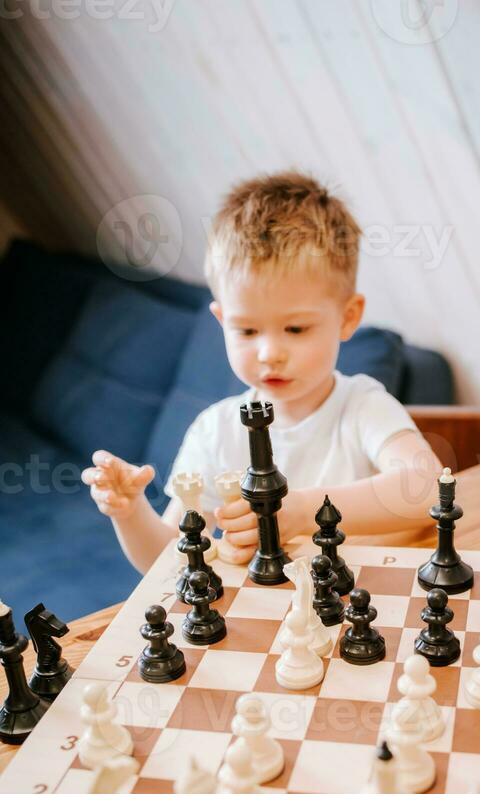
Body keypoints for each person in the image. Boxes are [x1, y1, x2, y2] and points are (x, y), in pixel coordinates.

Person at [83, 171, 442, 574]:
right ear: (221, 321)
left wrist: (302, 511)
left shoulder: (362, 406)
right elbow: (169, 564)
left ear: (348, 317)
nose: (270, 353)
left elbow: (426, 489)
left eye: (296, 329)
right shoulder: (214, 430)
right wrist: (130, 512)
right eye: (247, 330)